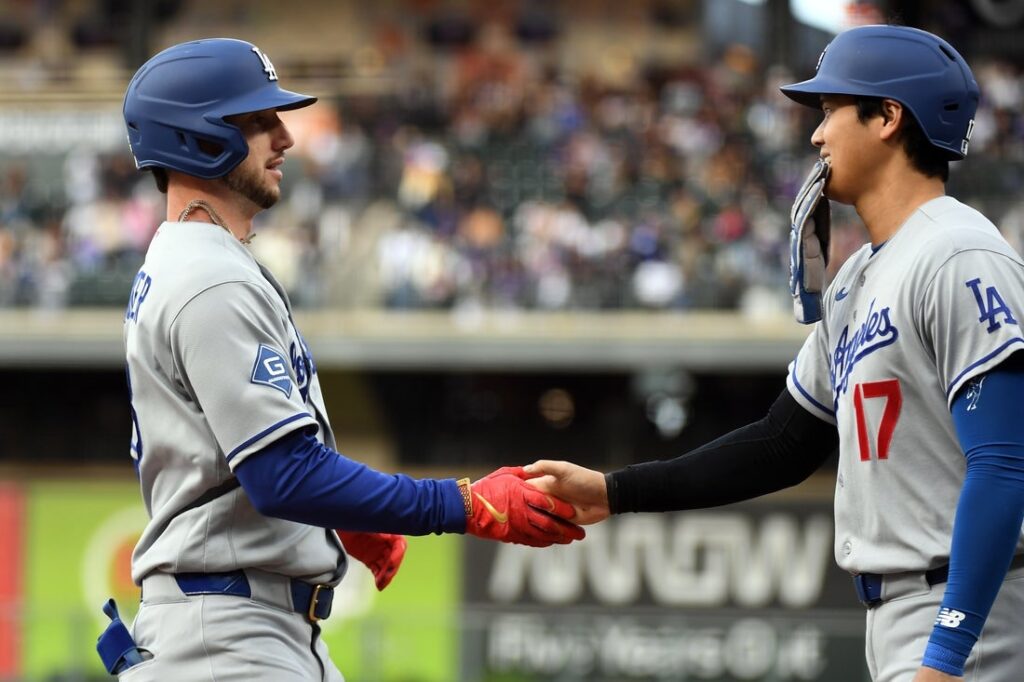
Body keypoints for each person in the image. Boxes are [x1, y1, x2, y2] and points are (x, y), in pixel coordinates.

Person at [525, 25, 1024, 682]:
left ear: (887, 117)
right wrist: (615, 491)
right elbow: (779, 444)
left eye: (830, 111)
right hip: (906, 616)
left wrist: (948, 651)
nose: (816, 136)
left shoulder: (959, 253)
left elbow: (1005, 463)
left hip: (969, 616)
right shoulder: (857, 279)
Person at [100, 38, 583, 681]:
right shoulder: (209, 279)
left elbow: (252, 461)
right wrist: (461, 504)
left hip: (247, 626)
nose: (284, 138)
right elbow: (284, 475)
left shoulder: (195, 261)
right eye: (257, 121)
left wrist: (340, 518)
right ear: (197, 137)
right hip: (229, 639)